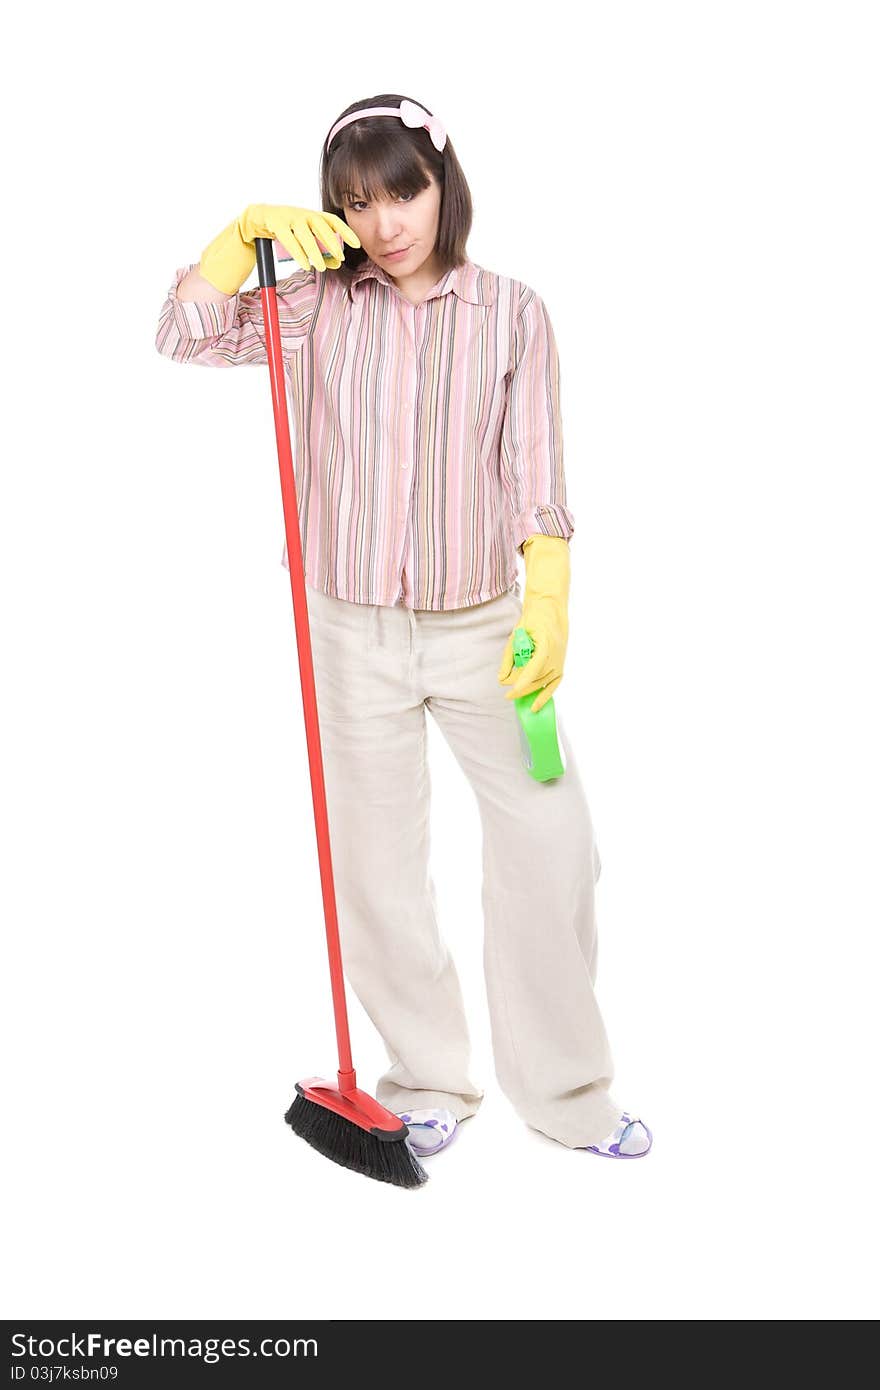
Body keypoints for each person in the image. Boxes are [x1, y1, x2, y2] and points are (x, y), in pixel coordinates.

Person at [155, 93, 652, 1162]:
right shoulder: (318, 305)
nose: (386, 224)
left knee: (554, 845)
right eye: (357, 202)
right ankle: (425, 1078)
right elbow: (182, 333)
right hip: (347, 623)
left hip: (485, 628)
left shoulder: (513, 311)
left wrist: (549, 595)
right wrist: (237, 237)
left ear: (444, 179)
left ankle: (567, 1092)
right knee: (376, 863)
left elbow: (535, 474)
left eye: (404, 191)